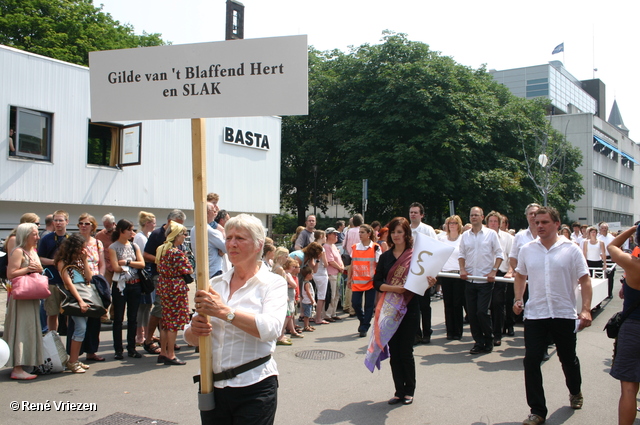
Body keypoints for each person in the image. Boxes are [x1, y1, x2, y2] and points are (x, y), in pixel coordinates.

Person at [185, 214, 287, 425]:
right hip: (211, 386)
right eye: (229, 237)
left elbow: (271, 329)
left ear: (259, 245)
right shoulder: (214, 283)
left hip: (254, 386)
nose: (232, 243)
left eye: (240, 238)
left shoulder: (273, 283)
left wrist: (225, 313)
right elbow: (191, 338)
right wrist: (194, 329)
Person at [513, 206, 592, 425]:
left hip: (563, 313)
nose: (539, 226)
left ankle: (575, 391)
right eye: (537, 222)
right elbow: (520, 276)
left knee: (568, 359)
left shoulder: (571, 249)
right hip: (536, 314)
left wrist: (585, 309)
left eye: (544, 222)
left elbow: (585, 280)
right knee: (531, 361)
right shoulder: (527, 249)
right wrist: (518, 299)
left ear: (557, 224)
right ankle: (537, 411)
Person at [459, 206, 503, 354]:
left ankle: (489, 339)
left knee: (482, 312)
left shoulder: (491, 234)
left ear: (482, 217)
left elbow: (499, 254)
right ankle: (478, 342)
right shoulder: (465, 235)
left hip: (485, 281)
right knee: (471, 314)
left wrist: (493, 271)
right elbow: (461, 255)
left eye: (476, 215)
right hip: (470, 280)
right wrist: (463, 269)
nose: (474, 217)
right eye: (471, 215)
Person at [607, 225, 640, 425]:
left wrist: (633, 228)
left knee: (628, 388)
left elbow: (612, 245)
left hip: (633, 327)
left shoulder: (633, 264)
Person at [142, 209, 186, 355]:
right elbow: (146, 254)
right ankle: (148, 339)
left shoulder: (175, 245)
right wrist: (164, 260)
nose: (181, 233)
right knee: (161, 309)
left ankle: (167, 342)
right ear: (169, 222)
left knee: (166, 312)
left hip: (168, 278)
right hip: (161, 276)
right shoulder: (157, 235)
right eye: (178, 227)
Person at [3, 223, 44, 380]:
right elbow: (11, 274)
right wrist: (28, 269)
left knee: (30, 328)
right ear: (25, 235)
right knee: (20, 328)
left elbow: (38, 269)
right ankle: (18, 368)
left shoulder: (32, 251)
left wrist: (37, 269)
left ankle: (26, 363)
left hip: (31, 296)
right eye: (34, 234)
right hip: (21, 297)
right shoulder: (18, 252)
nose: (37, 237)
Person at [156, 222, 193, 365]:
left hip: (164, 286)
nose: (185, 237)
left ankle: (163, 352)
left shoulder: (161, 249)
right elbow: (189, 269)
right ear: (176, 236)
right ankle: (170, 354)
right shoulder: (176, 252)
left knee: (165, 321)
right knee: (173, 323)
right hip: (175, 288)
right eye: (183, 234)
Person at [56, 234, 93, 373]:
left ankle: (75, 359)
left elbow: (89, 278)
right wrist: (80, 301)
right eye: (81, 248)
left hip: (83, 294)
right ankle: (72, 362)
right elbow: (68, 284)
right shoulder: (63, 262)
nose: (83, 250)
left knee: (81, 329)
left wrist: (84, 261)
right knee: (80, 328)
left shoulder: (78, 261)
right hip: (75, 298)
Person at [109, 219, 146, 360]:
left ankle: (132, 347)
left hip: (135, 284)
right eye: (130, 230)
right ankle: (118, 349)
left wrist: (127, 263)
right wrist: (130, 266)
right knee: (118, 318)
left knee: (133, 317)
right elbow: (115, 267)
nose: (132, 232)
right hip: (120, 285)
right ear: (121, 230)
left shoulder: (134, 245)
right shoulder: (113, 247)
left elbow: (141, 264)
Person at [75, 213, 106, 362]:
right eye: (80, 223)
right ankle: (75, 354)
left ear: (93, 226)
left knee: (94, 319)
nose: (83, 226)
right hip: (79, 283)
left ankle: (91, 351)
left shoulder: (97, 243)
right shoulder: (74, 242)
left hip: (94, 283)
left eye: (86, 223)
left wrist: (100, 279)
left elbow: (101, 263)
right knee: (79, 319)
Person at [409, 202, 437, 344]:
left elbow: (435, 250)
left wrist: (432, 273)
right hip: (409, 273)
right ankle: (416, 333)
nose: (413, 214)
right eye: (411, 212)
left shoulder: (428, 230)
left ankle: (427, 332)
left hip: (424, 273)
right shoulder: (405, 230)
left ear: (422, 215)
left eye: (415, 212)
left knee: (424, 305)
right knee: (412, 306)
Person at [38, 210, 69, 332]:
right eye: (55, 220)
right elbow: (40, 258)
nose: (58, 223)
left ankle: (70, 342)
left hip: (68, 281)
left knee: (70, 313)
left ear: (67, 222)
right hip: (52, 281)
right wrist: (54, 262)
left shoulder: (71, 239)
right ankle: (53, 339)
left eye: (61, 220)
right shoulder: (46, 239)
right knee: (52, 313)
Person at [348, 224, 381, 337]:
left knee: (369, 305)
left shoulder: (375, 247)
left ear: (369, 234)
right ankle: (363, 320)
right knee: (355, 303)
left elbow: (379, 265)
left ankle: (364, 326)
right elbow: (352, 264)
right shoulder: (355, 247)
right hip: (357, 281)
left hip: (370, 281)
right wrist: (349, 278)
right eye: (359, 232)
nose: (360, 234)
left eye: (362, 232)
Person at [486, 211, 514, 346]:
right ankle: (487, 333)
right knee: (485, 306)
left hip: (500, 274)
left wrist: (510, 271)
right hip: (484, 274)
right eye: (491, 221)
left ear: (500, 223)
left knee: (498, 304)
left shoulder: (508, 238)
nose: (493, 224)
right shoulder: (483, 236)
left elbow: (511, 258)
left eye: (495, 221)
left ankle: (497, 334)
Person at [437, 215, 466, 340]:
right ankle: (450, 330)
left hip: (458, 274)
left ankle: (458, 331)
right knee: (448, 303)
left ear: (459, 225)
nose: (452, 225)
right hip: (446, 274)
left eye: (454, 223)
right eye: (450, 223)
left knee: (457, 303)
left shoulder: (463, 239)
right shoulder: (442, 239)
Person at [133, 211, 156, 346]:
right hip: (143, 273)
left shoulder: (146, 236)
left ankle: (146, 333)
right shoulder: (140, 237)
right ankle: (140, 334)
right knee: (142, 306)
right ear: (147, 223)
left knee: (147, 306)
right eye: (153, 222)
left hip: (147, 272)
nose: (154, 225)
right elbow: (142, 256)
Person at [190, 202, 226, 279]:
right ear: (207, 213)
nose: (215, 214)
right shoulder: (210, 231)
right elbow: (227, 247)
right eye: (214, 211)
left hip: (200, 273)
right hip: (213, 272)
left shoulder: (194, 229)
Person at [324, 227, 344, 321]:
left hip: (337, 273)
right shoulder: (327, 246)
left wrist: (342, 266)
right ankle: (328, 314)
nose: (336, 236)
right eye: (334, 234)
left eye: (336, 234)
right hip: (332, 273)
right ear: (328, 235)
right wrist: (340, 267)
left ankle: (333, 312)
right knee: (332, 294)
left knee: (337, 294)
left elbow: (338, 258)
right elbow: (330, 261)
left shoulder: (334, 246)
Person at [312, 230, 330, 325]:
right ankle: (318, 317)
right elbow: (326, 264)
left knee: (318, 294)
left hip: (315, 273)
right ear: (321, 236)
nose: (326, 238)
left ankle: (316, 315)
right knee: (321, 297)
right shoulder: (322, 249)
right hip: (322, 273)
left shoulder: (312, 247)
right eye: (325, 236)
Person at [598, 222, 616, 298]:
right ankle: (602, 294)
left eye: (605, 228)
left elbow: (615, 247)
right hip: (601, 258)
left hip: (610, 257)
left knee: (610, 276)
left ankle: (609, 293)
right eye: (602, 228)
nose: (604, 230)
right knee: (601, 276)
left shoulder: (612, 238)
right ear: (600, 229)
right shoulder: (598, 238)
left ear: (607, 229)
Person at [300, 266, 316, 332]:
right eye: (312, 274)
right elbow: (308, 293)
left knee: (309, 314)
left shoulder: (306, 282)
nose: (312, 275)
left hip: (307, 301)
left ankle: (308, 325)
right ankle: (306, 326)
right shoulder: (307, 283)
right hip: (307, 301)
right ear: (308, 275)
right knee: (307, 315)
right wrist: (312, 300)